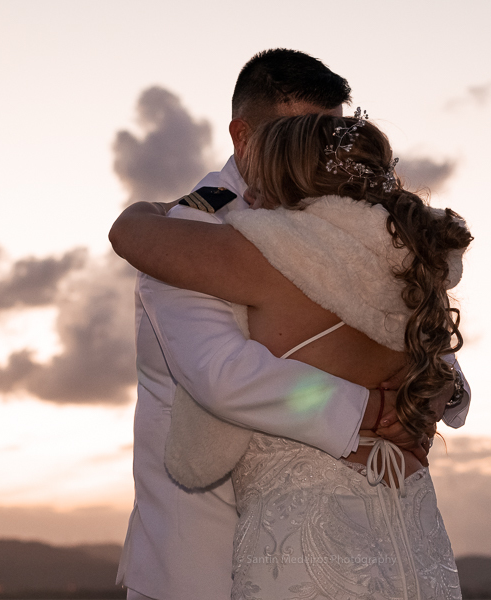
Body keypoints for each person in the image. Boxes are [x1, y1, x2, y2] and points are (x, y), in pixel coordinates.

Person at [114, 49, 470, 600]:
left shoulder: (362, 227)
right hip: (200, 560)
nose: (315, 151)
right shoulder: (190, 230)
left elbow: (416, 327)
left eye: (326, 133)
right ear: (242, 136)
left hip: (361, 536)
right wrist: (373, 411)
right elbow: (223, 373)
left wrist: (436, 390)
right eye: (293, 131)